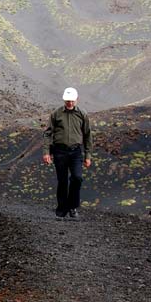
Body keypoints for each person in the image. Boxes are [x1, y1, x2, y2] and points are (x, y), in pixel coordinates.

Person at [43, 87, 92, 219]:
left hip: (75, 151)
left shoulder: (82, 114)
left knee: (77, 178)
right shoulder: (56, 114)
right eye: (67, 101)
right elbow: (47, 133)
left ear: (76, 100)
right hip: (60, 151)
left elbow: (87, 135)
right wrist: (46, 152)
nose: (69, 103)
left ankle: (73, 206)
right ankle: (62, 208)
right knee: (62, 181)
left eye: (71, 101)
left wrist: (88, 155)